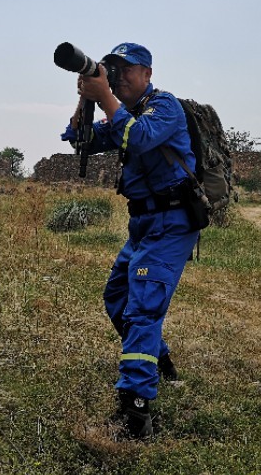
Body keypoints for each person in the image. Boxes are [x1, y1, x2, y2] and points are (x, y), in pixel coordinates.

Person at [60, 42, 200, 439]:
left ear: (147, 74)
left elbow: (138, 139)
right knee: (117, 297)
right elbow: (80, 139)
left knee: (141, 307)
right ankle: (160, 360)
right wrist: (87, 97)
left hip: (173, 220)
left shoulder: (165, 106)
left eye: (126, 69)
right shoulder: (124, 112)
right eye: (113, 70)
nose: (119, 77)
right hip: (142, 223)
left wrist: (105, 96)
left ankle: (136, 411)